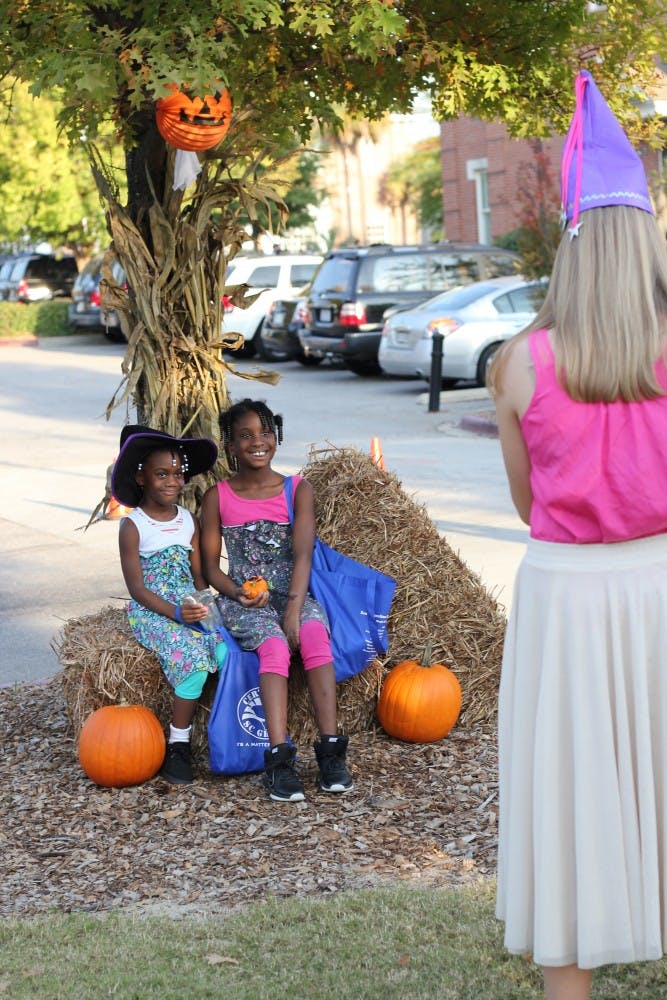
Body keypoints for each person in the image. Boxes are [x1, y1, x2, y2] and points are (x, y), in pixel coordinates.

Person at [489, 71, 667, 999]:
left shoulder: (516, 363)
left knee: (568, 796)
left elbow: (529, 506)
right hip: (659, 583)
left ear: (570, 242)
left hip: (565, 595)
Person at [200, 398, 353, 802]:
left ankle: (331, 753)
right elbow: (211, 568)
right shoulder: (217, 497)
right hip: (244, 600)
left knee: (314, 636)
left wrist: (293, 611)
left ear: (276, 437)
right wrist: (236, 592)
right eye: (245, 435)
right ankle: (279, 759)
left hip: (294, 592)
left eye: (265, 432)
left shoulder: (297, 489)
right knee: (273, 646)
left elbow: (303, 555)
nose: (258, 442)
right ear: (231, 445)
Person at [112, 424, 222, 786]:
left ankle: (229, 733)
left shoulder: (187, 519)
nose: (172, 481)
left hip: (190, 602)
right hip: (153, 610)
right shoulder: (133, 526)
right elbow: (136, 588)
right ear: (140, 477)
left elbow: (198, 577)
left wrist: (210, 613)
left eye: (178, 473)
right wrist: (175, 613)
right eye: (162, 474)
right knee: (193, 662)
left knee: (227, 651)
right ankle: (179, 744)